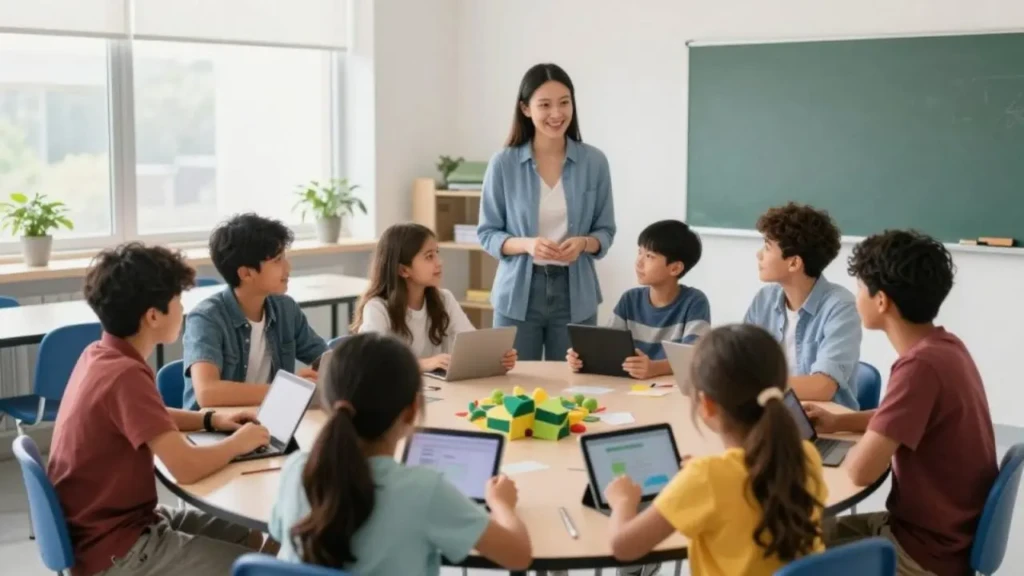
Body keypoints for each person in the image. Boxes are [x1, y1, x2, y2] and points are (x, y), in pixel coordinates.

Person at [48, 243, 273, 576]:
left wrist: (211, 419)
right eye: (177, 299)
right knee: (255, 568)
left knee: (251, 536)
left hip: (113, 528)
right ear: (153, 316)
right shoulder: (125, 375)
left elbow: (149, 415)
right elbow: (186, 467)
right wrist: (241, 442)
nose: (183, 308)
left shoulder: (100, 355)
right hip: (116, 550)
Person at [806, 230, 998, 576]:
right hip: (938, 536)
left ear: (882, 301)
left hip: (922, 554)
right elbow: (900, 416)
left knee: (778, 551)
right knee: (793, 537)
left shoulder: (918, 367)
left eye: (860, 286)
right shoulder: (945, 347)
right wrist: (839, 423)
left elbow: (861, 470)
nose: (856, 295)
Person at [268, 332, 532, 575]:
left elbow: (279, 535)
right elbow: (518, 556)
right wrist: (501, 504)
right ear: (412, 410)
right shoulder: (424, 490)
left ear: (327, 401)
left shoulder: (296, 469)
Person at [605, 324, 828, 576]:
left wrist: (623, 501)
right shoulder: (806, 455)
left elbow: (623, 547)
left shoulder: (706, 478)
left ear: (707, 405)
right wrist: (701, 475)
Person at [478, 62, 616, 361]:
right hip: (518, 293)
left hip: (575, 293)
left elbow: (605, 231)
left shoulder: (594, 162)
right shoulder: (503, 163)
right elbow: (487, 233)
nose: (557, 114)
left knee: (572, 387)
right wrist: (528, 244)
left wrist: (583, 243)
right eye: (545, 105)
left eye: (564, 103)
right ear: (526, 109)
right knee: (511, 388)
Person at [182, 213, 327, 409]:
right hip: (216, 431)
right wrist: (288, 389)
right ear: (246, 273)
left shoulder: (286, 309)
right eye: (277, 260)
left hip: (270, 421)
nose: (288, 267)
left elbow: (324, 358)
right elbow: (208, 393)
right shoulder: (206, 318)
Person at [352, 223, 516, 373]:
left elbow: (472, 344)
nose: (439, 262)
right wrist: (423, 364)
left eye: (437, 253)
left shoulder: (444, 299)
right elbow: (371, 361)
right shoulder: (377, 308)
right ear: (403, 270)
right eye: (429, 256)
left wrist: (497, 357)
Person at [744, 202, 862, 409]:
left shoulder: (841, 307)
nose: (759, 255)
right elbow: (741, 360)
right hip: (772, 413)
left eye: (767, 246)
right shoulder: (765, 298)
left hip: (823, 423)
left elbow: (822, 387)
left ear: (794, 263)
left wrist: (752, 385)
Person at [567, 219, 710, 379]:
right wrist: (582, 358)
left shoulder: (694, 302)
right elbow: (606, 348)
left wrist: (655, 368)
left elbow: (692, 357)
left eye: (649, 256)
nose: (639, 262)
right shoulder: (630, 299)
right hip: (631, 388)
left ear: (675, 268)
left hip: (670, 390)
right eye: (639, 252)